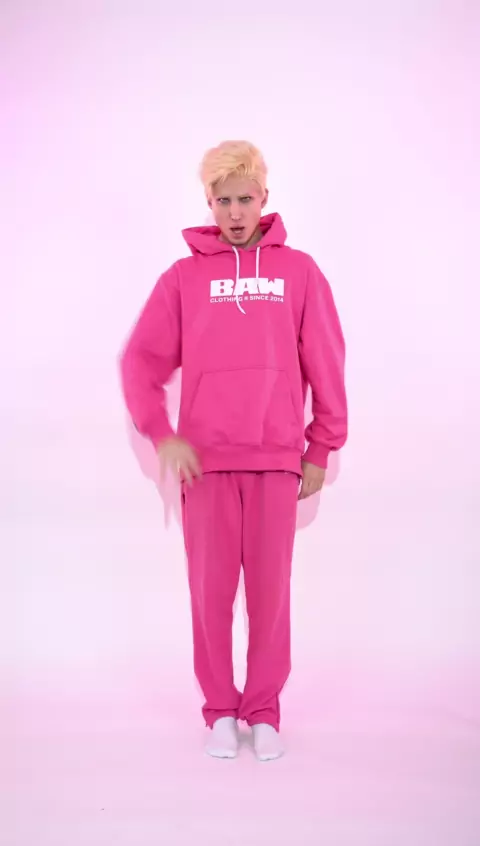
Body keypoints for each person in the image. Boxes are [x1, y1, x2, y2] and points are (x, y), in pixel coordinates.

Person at [120, 140, 348, 761]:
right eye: (223, 201)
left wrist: (321, 447)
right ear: (209, 203)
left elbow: (326, 361)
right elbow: (140, 361)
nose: (236, 212)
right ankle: (220, 709)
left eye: (246, 199)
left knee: (271, 597)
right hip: (207, 464)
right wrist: (161, 433)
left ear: (264, 197)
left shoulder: (299, 273)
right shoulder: (183, 278)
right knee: (210, 595)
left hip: (275, 459)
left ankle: (264, 711)